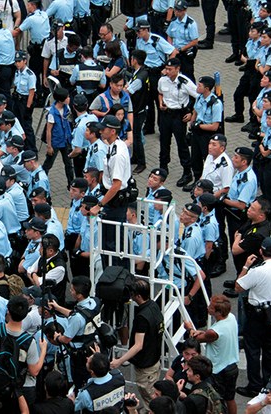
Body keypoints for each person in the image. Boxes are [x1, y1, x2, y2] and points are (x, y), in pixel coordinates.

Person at [234, 237, 271, 399]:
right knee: (270, 348)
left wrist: (246, 265)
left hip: (257, 313)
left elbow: (238, 286)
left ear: (261, 252)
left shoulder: (257, 271)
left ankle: (254, 385)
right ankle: (270, 384)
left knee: (252, 349)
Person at [0, 295, 47, 414]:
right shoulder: (29, 342)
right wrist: (43, 350)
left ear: (8, 310)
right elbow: (34, 371)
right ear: (25, 314)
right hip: (23, 389)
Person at [111, 279, 164, 411]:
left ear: (138, 296)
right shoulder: (154, 306)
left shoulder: (142, 317)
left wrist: (119, 361)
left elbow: (138, 345)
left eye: (132, 294)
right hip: (154, 361)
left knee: (151, 400)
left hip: (146, 367)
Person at [89, 115, 131, 267]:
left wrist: (99, 205)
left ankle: (118, 276)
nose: (100, 132)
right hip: (111, 199)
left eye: (103, 129)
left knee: (114, 244)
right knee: (108, 242)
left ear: (112, 131)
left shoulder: (118, 154)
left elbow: (116, 185)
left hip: (114, 202)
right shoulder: (114, 146)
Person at [185, 294, 239, 414]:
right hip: (232, 366)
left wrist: (190, 329)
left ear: (218, 312)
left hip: (218, 370)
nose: (208, 307)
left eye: (211, 307)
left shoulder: (214, 332)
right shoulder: (231, 317)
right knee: (230, 398)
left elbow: (196, 339)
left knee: (216, 400)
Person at [157, 57, 198, 182]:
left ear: (177, 69)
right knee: (164, 142)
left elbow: (199, 97)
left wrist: (192, 113)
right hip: (165, 115)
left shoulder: (185, 82)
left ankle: (187, 172)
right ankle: (163, 167)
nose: (167, 72)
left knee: (182, 144)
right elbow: (160, 93)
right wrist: (160, 103)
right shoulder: (163, 80)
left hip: (179, 116)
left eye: (170, 69)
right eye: (166, 69)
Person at [185, 76, 224, 188]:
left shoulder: (216, 104)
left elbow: (214, 126)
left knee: (207, 158)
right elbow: (195, 111)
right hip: (197, 133)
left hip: (207, 135)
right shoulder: (199, 98)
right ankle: (197, 181)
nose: (197, 87)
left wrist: (199, 126)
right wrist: (192, 124)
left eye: (200, 85)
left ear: (207, 88)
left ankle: (207, 184)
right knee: (195, 158)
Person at [43, 87, 74, 187]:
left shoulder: (66, 108)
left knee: (68, 164)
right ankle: (41, 181)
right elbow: (49, 130)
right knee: (48, 164)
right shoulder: (52, 113)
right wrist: (49, 146)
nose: (69, 99)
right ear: (61, 100)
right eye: (67, 97)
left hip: (66, 141)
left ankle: (71, 184)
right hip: (55, 142)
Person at [166, 0, 198, 81]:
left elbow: (194, 41)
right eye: (175, 10)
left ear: (185, 11)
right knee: (173, 75)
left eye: (179, 10)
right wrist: (171, 48)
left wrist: (181, 49)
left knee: (188, 76)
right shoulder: (173, 21)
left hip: (185, 53)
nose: (176, 12)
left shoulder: (191, 24)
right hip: (175, 52)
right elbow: (169, 35)